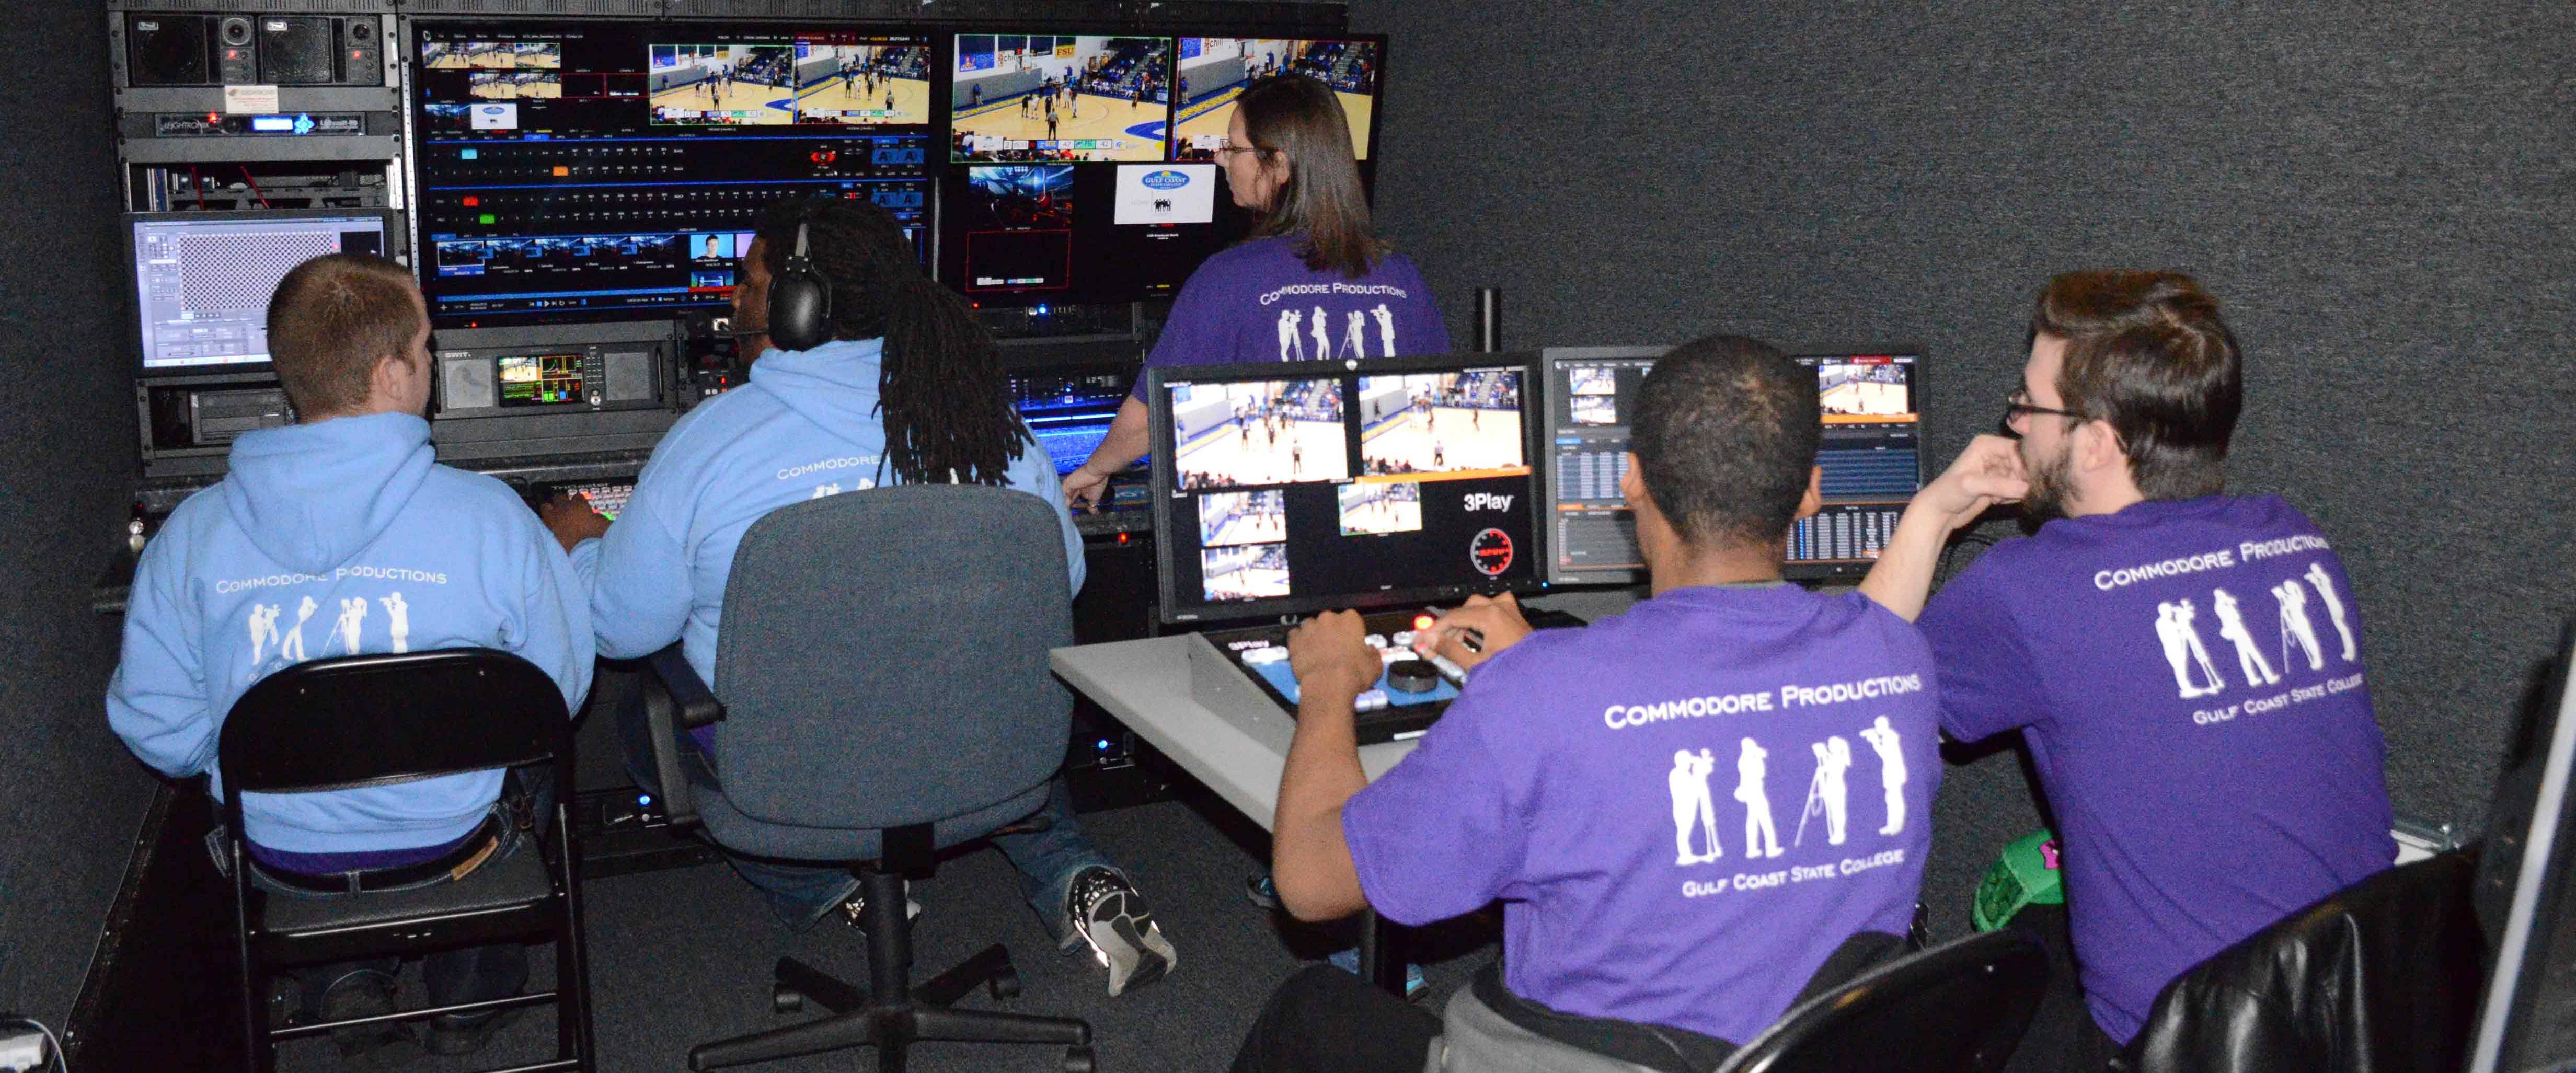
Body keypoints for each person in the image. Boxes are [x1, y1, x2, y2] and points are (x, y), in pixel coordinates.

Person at [1231, 337, 1943, 1073]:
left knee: (1312, 1011)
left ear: (1630, 481)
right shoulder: (1899, 655)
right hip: (1814, 1051)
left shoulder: (1542, 697)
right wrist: (1539, 676)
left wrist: (1328, 683)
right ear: (1811, 492)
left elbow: (1309, 882)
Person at [539, 197, 1177, 997]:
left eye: (750, 282)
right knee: (971, 678)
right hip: (985, 750)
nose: (734, 299)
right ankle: (1070, 868)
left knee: (646, 702)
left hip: (787, 771)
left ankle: (825, 886)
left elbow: (619, 629)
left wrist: (582, 544)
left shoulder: (708, 443)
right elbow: (1065, 581)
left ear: (799, 301)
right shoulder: (986, 424)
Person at [1857, 270, 2395, 1062]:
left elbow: (1845, 698)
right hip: (2363, 1011)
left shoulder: (2034, 588)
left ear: (2097, 442)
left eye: (2029, 406)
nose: (2013, 424)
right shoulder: (2293, 539)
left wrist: (1931, 513)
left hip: (2185, 1039)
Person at [107, 253, 593, 1058]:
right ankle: (469, 984)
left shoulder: (188, 535)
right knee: (535, 751)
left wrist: (248, 752)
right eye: (427, 346)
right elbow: (561, 691)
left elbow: (156, 726)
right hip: (453, 847)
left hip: (280, 860)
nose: (432, 362)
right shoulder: (492, 517)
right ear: (391, 373)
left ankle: (341, 971)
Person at [1063, 76, 1447, 509]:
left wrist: (1095, 469)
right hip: (1389, 515)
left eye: (1234, 148)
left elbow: (1151, 415)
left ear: (1279, 166)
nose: (1221, 159)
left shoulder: (1228, 279)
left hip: (1279, 526)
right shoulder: (1404, 277)